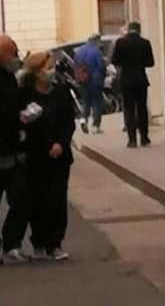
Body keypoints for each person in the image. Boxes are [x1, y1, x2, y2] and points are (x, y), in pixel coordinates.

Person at [20, 51, 76, 262]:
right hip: (35, 156)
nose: (52, 72)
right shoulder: (25, 94)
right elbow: (22, 123)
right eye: (47, 68)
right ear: (36, 72)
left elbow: (68, 122)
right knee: (37, 200)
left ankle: (55, 243)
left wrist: (60, 143)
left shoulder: (61, 92)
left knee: (57, 199)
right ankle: (39, 242)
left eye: (53, 67)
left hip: (59, 156)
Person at [0, 34, 29, 265]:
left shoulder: (10, 78)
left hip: (15, 152)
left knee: (21, 201)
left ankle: (12, 245)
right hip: (2, 152)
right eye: (14, 52)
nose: (16, 57)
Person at [112, 22, 154, 148]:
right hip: (141, 80)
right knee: (142, 108)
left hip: (126, 80)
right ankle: (144, 138)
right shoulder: (145, 43)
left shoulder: (120, 42)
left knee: (129, 109)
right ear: (139, 30)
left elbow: (115, 61)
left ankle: (132, 140)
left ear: (128, 30)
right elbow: (150, 62)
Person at [74, 34, 106, 134]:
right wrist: (103, 75)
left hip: (82, 81)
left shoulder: (79, 51)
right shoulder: (96, 51)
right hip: (95, 81)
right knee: (96, 103)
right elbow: (101, 66)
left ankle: (83, 119)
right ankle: (95, 126)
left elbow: (75, 65)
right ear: (96, 41)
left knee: (85, 102)